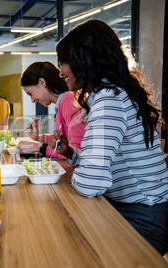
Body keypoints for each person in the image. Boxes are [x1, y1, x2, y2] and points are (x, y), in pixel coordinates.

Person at [52, 19, 168, 255]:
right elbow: (112, 159)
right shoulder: (115, 93)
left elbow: (91, 182)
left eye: (63, 61)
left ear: (84, 59)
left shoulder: (109, 101)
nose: (61, 70)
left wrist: (82, 175)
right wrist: (71, 153)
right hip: (136, 208)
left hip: (143, 217)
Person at [17, 61, 85, 158]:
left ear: (42, 82)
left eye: (30, 93)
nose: (32, 100)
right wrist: (40, 138)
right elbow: (63, 141)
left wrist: (39, 147)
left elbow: (75, 151)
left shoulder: (68, 101)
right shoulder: (63, 102)